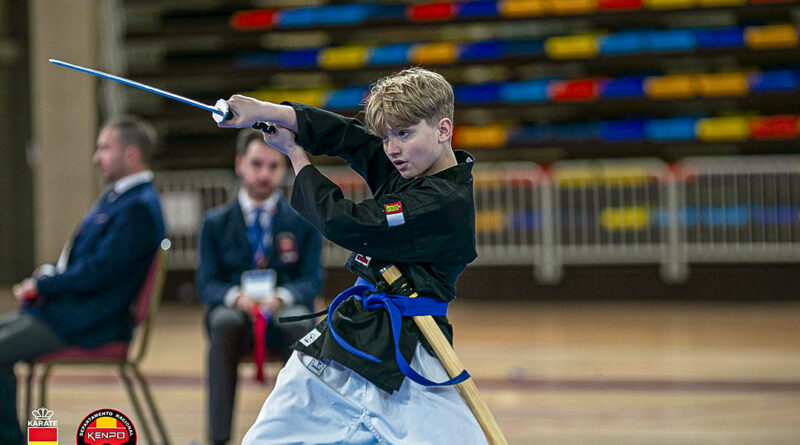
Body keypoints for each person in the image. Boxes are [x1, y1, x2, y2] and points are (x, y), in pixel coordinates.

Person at [219, 67, 487, 444]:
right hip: (346, 341)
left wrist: (296, 156)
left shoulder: (442, 202)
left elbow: (349, 223)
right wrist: (265, 110)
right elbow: (350, 137)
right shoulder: (409, 168)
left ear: (443, 130)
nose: (392, 148)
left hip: (410, 356)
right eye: (387, 136)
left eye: (405, 133)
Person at [1, 115, 164, 443]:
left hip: (91, 322)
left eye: (105, 148)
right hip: (76, 312)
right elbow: (90, 265)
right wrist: (50, 277)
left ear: (131, 155)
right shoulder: (120, 197)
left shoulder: (138, 208)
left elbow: (98, 273)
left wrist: (42, 286)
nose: (96, 157)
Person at [196, 129, 324, 445]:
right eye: (256, 164)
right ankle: (218, 437)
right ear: (240, 164)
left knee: (302, 324)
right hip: (236, 316)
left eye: (273, 166)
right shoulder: (215, 223)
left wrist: (281, 297)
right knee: (223, 321)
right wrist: (234, 297)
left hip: (282, 312)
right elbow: (206, 284)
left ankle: (301, 435)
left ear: (283, 169)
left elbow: (312, 280)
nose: (265, 174)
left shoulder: (302, 220)